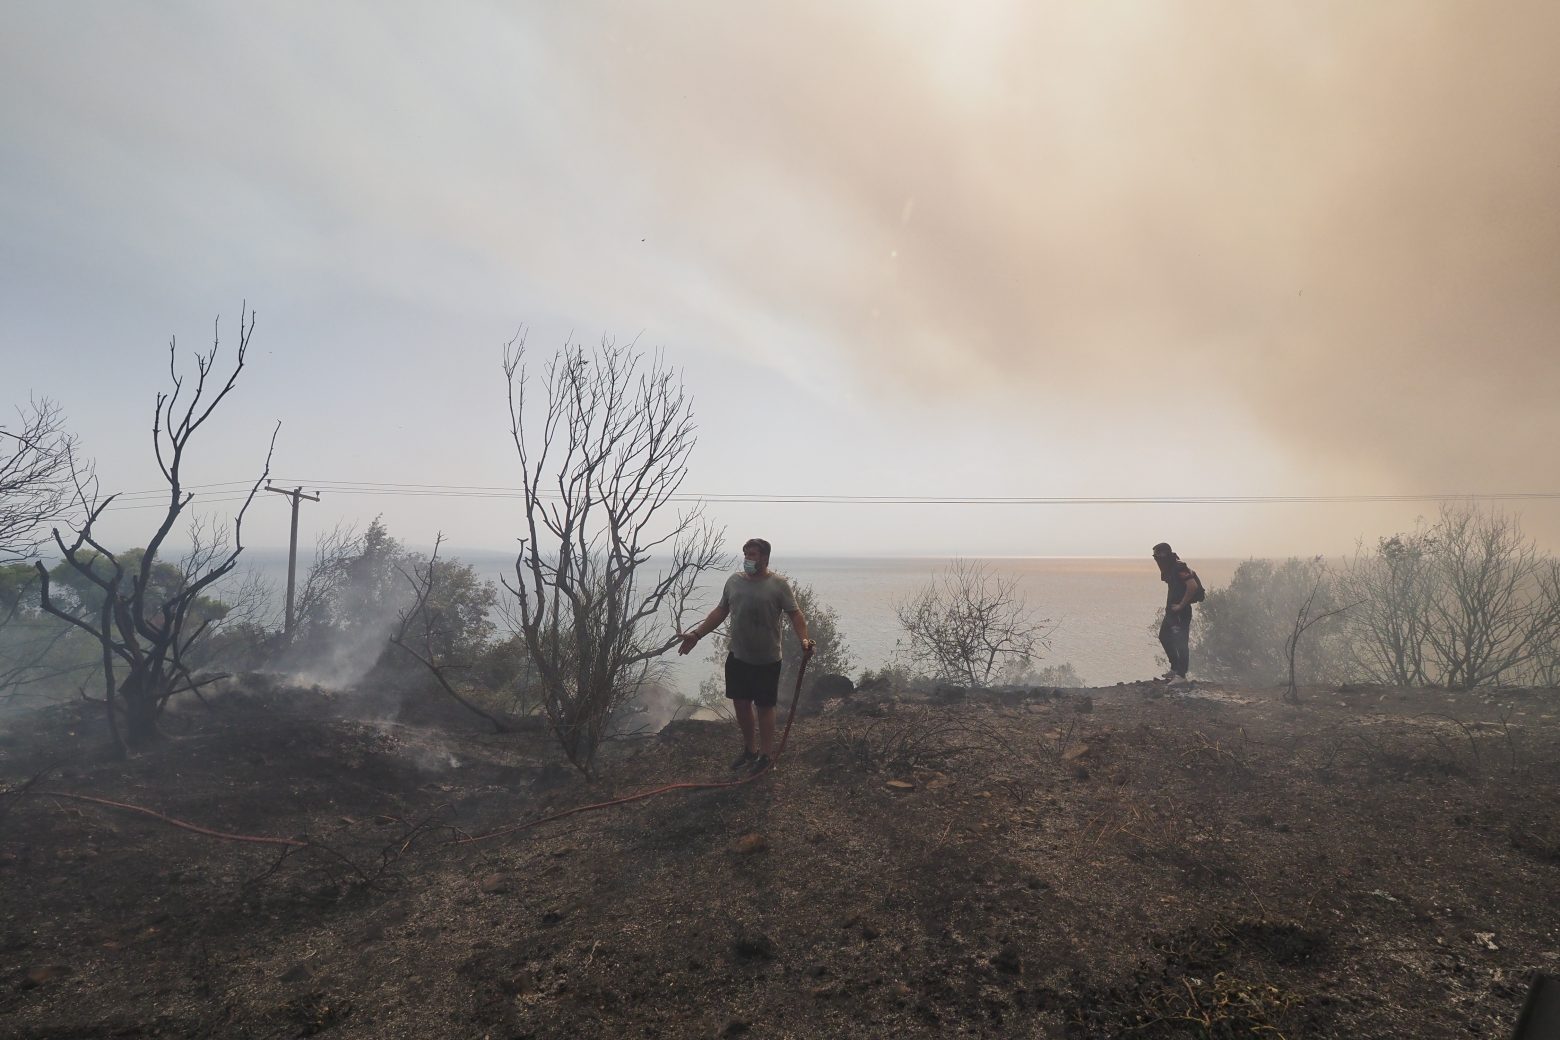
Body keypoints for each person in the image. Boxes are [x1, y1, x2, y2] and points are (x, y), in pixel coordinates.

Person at [678, 538, 813, 775]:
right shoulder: (734, 582)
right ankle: (750, 750)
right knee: (741, 704)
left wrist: (804, 639)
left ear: (765, 558)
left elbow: (795, 614)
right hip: (738, 655)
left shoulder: (778, 585)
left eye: (753, 554)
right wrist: (697, 635)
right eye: (746, 553)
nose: (748, 558)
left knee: (764, 706)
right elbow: (720, 611)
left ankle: (765, 754)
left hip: (767, 658)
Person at [1152, 542, 1200, 686]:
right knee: (1164, 636)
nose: (1156, 558)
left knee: (1181, 642)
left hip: (1180, 612)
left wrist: (1181, 605)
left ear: (1164, 554)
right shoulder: (1169, 569)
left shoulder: (1179, 567)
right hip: (1171, 612)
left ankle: (1181, 675)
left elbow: (1192, 586)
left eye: (1157, 555)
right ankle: (1175, 668)